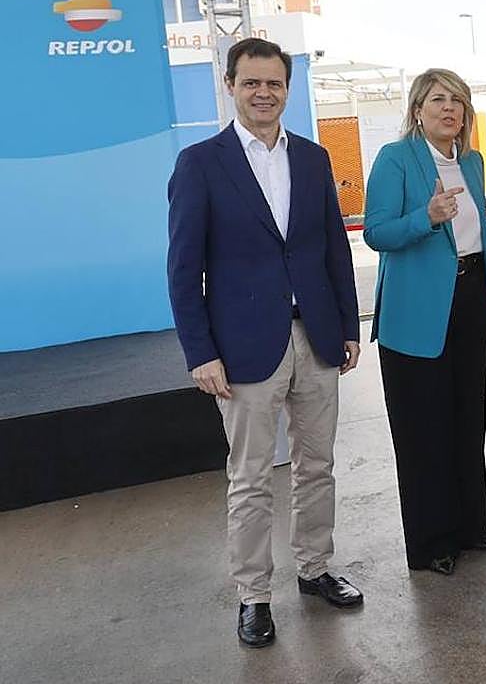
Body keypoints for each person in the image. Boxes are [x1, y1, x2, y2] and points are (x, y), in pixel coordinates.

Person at [167, 38, 364, 649]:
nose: (263, 93)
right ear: (230, 85)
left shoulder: (311, 158)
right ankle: (253, 594)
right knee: (250, 478)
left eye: (274, 83)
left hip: (318, 338)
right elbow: (182, 268)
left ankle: (315, 567)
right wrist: (201, 352)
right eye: (251, 82)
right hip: (246, 348)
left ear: (287, 87)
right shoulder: (201, 163)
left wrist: (350, 326)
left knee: (318, 466)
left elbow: (333, 245)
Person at [364, 68, 486, 577]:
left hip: (471, 298)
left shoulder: (470, 160)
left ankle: (471, 528)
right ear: (417, 110)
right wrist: (425, 218)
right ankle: (432, 542)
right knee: (422, 430)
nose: (449, 109)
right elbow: (376, 232)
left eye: (457, 101)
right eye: (438, 100)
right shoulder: (396, 159)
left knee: (464, 420)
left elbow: (479, 229)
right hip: (416, 314)